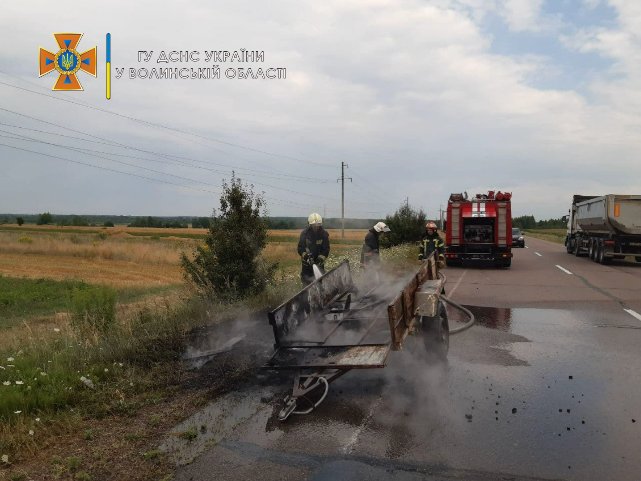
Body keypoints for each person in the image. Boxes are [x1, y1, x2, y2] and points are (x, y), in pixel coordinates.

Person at [297, 212, 330, 285]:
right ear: (310, 225)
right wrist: (306, 257)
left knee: (320, 284)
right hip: (306, 267)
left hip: (319, 265)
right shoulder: (304, 234)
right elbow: (300, 248)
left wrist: (320, 259)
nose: (316, 227)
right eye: (314, 226)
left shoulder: (324, 234)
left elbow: (326, 249)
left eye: (318, 225)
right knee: (306, 285)